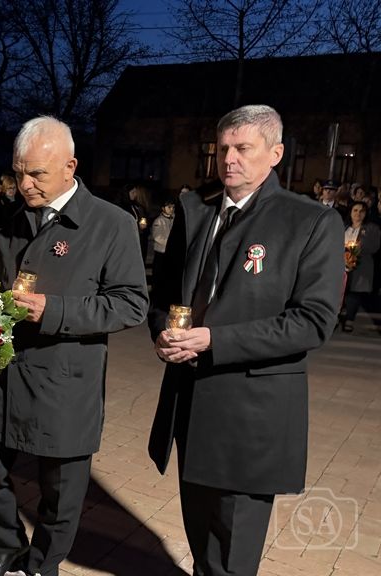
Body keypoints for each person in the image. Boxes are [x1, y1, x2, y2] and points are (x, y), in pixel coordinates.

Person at [148, 105, 344, 576]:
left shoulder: (310, 221)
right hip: (190, 403)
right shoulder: (196, 211)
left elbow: (313, 321)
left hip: (250, 414)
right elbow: (163, 296)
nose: (229, 159)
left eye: (243, 148)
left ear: (275, 153)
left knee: (233, 555)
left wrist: (213, 339)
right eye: (222, 149)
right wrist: (162, 333)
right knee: (200, 539)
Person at [0, 117, 149, 576]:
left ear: (70, 167)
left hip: (64, 380)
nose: (24, 185)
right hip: (4, 374)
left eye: (37, 174)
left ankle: (42, 564)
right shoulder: (9, 219)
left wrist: (54, 311)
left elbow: (131, 304)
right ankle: (8, 543)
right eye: (18, 173)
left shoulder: (111, 223)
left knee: (61, 491)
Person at [341, 201, 380, 332]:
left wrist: (356, 249)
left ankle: (349, 319)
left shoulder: (371, 228)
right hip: (341, 265)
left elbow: (374, 246)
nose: (358, 213)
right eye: (355, 210)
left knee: (354, 293)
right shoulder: (344, 227)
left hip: (361, 266)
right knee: (341, 292)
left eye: (361, 211)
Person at [150, 201, 176, 287]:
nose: (171, 209)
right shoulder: (159, 220)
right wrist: (170, 243)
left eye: (173, 207)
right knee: (158, 273)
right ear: (163, 208)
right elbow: (157, 236)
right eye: (169, 207)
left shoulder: (174, 219)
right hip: (161, 251)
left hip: (170, 252)